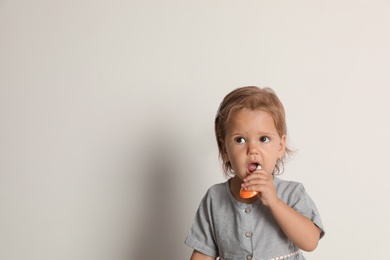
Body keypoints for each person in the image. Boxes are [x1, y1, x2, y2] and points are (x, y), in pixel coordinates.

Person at [185, 86, 325, 260]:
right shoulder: (215, 198)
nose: (252, 150)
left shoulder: (292, 193)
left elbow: (310, 242)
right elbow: (203, 253)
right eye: (240, 140)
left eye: (263, 139)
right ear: (225, 149)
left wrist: (274, 202)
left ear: (280, 146)